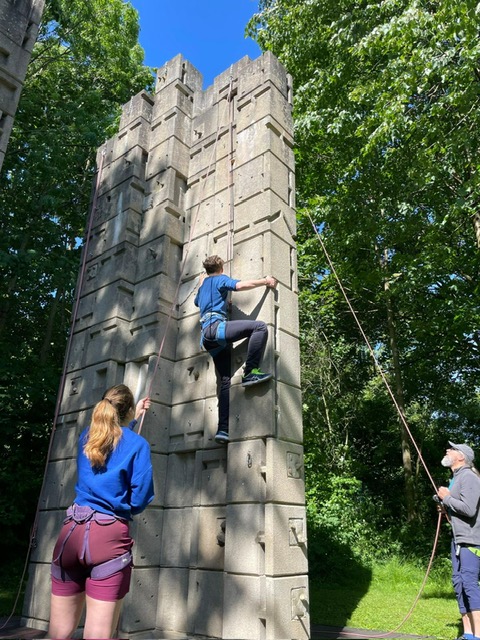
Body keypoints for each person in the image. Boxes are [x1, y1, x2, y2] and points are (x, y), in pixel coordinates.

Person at [48, 384, 154, 640]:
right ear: (128, 410)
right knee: (97, 634)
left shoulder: (86, 437)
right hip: (107, 537)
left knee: (59, 633)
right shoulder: (138, 445)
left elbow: (111, 439)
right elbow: (141, 497)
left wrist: (132, 418)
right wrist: (124, 507)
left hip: (70, 534)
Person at [194, 255, 277, 444]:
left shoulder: (203, 286)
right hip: (216, 329)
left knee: (225, 381)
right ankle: (250, 373)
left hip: (207, 338)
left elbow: (198, 303)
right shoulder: (220, 279)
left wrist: (202, 285)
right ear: (221, 268)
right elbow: (239, 286)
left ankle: (223, 430)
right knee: (259, 327)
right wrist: (265, 281)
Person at [436, 441, 480, 640]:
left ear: (462, 456)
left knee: (469, 584)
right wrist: (445, 507)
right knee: (458, 584)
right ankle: (468, 634)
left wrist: (446, 498)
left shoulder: (469, 477)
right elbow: (457, 509)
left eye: (452, 449)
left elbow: (469, 509)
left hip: (471, 540)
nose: (448, 450)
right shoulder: (456, 478)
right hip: (458, 539)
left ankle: (478, 635)